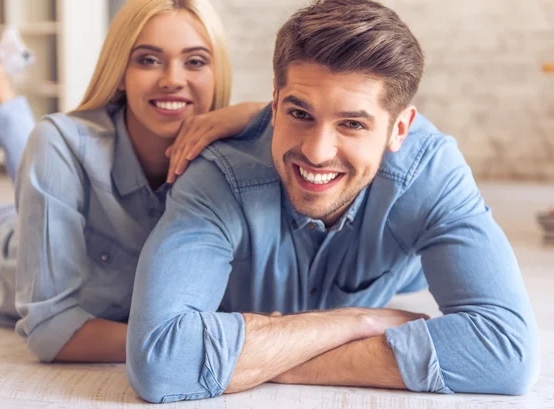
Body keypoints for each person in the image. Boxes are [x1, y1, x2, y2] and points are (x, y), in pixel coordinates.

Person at [126, 0, 540, 403]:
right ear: (275, 103)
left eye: (352, 124)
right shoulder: (218, 175)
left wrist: (265, 358)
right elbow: (161, 363)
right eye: (300, 114)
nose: (317, 152)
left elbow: (507, 354)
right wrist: (357, 321)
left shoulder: (429, 171)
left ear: (400, 129)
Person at [0, 0, 265, 363]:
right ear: (120, 71)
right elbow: (51, 329)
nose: (172, 79)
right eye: (148, 59)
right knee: (48, 140)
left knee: (46, 142)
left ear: (217, 74)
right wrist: (181, 341)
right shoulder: (62, 143)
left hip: (40, 200)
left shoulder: (231, 164)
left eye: (195, 61)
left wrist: (258, 114)